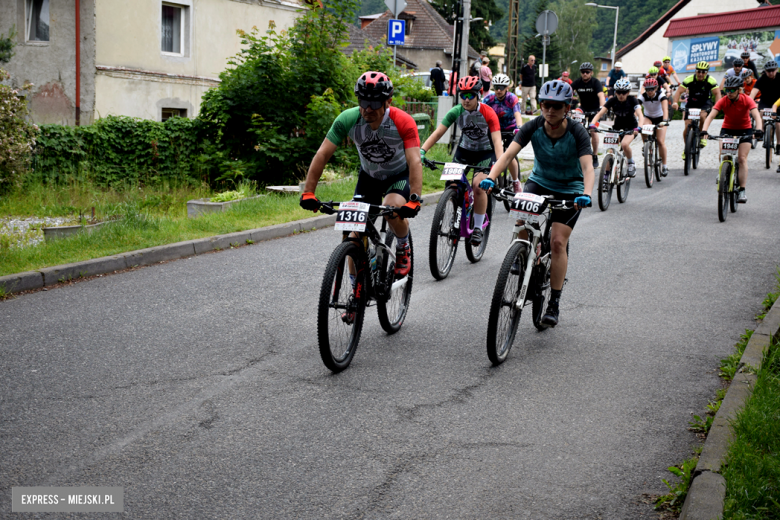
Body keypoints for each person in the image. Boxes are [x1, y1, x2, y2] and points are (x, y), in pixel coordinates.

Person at [480, 79, 594, 327]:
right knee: (522, 225)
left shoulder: (577, 131)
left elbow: (587, 166)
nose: (550, 110)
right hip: (539, 182)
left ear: (567, 107)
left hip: (571, 188)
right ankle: (522, 257)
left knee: (557, 242)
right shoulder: (533, 126)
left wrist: (586, 193)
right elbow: (508, 154)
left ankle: (553, 301)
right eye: (545, 105)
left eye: (556, 106)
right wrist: (490, 178)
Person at [300, 71, 422, 277]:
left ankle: (403, 247)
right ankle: (354, 299)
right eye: (363, 101)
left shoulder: (403, 121)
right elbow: (322, 154)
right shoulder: (348, 119)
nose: (367, 109)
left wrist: (414, 199)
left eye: (374, 104)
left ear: (387, 102)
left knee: (392, 210)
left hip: (398, 176)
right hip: (369, 178)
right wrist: (309, 192)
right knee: (353, 238)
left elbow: (415, 160)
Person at [420, 75, 503, 246]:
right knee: (452, 183)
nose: (466, 100)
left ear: (478, 95)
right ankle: (459, 208)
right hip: (464, 150)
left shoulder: (488, 112)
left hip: (484, 153)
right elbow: (437, 133)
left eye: (470, 95)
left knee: (479, 186)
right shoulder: (456, 111)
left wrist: (498, 165)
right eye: (462, 95)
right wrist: (422, 151)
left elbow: (497, 141)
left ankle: (478, 227)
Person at [701, 75, 762, 203]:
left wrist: (759, 130)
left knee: (741, 158)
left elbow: (756, 116)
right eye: (727, 90)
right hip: (727, 129)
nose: (729, 92)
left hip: (745, 130)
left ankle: (742, 190)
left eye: (732, 90)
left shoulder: (747, 100)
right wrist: (704, 130)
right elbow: (711, 116)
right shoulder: (723, 100)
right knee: (724, 154)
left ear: (739, 90)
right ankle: (722, 174)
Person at [590, 78, 644, 177]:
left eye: (624, 92)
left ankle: (630, 162)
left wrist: (639, 128)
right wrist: (592, 124)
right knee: (610, 151)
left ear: (628, 92)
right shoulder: (612, 100)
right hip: (617, 127)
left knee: (624, 144)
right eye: (618, 92)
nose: (621, 95)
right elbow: (600, 113)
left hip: (631, 127)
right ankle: (606, 177)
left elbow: (640, 115)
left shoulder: (633, 100)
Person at [482, 73, 523, 193]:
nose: (498, 90)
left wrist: (519, 127)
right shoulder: (488, 99)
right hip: (494, 130)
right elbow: (481, 113)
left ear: (507, 88)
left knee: (509, 155)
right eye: (496, 87)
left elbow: (517, 114)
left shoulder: (512, 98)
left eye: (501, 87)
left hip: (511, 129)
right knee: (490, 153)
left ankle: (516, 181)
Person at [672, 61, 721, 160]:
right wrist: (675, 102)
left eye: (703, 72)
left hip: (704, 102)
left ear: (706, 72)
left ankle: (702, 135)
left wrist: (716, 107)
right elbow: (679, 91)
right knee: (687, 125)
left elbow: (717, 94)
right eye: (699, 71)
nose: (701, 74)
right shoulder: (689, 79)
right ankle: (686, 148)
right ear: (696, 71)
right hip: (692, 102)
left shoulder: (711, 80)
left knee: (703, 116)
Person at [571, 62, 605, 168]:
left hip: (595, 110)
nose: (585, 74)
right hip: (583, 107)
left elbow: (601, 96)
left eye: (587, 72)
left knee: (593, 132)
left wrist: (602, 109)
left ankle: (594, 155)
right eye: (583, 72)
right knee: (576, 121)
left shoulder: (595, 82)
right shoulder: (577, 82)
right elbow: (567, 92)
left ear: (591, 73)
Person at [638, 77, 670, 176]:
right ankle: (646, 145)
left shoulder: (661, 95)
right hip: (649, 117)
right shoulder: (642, 96)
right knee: (643, 128)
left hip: (660, 118)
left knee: (660, 141)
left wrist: (665, 121)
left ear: (656, 88)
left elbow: (665, 109)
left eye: (651, 89)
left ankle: (664, 166)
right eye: (647, 89)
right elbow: (636, 109)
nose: (649, 91)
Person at [750, 60, 780, 155]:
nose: (771, 73)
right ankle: (761, 130)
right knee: (761, 113)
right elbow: (753, 92)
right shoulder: (762, 79)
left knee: (778, 123)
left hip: (778, 102)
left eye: (773, 70)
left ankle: (779, 144)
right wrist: (749, 102)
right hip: (766, 101)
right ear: (765, 71)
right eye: (768, 71)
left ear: (777, 70)